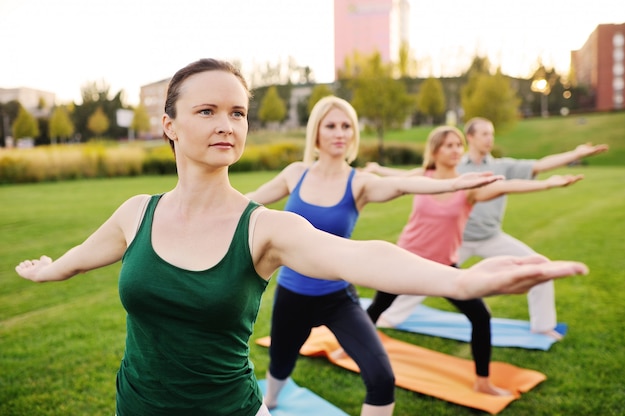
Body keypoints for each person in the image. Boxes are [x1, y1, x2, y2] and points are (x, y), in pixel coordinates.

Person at [14, 59, 588, 416]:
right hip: (135, 406)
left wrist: (463, 279)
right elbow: (81, 259)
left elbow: (361, 256)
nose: (226, 125)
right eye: (208, 110)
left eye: (238, 113)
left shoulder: (266, 229)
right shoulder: (135, 213)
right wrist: (49, 267)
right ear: (169, 124)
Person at [245, 96, 507, 415]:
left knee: (382, 378)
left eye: (347, 126)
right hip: (292, 295)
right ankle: (272, 399)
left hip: (337, 296)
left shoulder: (360, 183)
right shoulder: (294, 174)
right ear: (316, 132)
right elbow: (249, 202)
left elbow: (400, 186)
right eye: (331, 126)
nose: (340, 133)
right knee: (280, 365)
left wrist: (452, 183)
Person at [364, 125, 584, 396]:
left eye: (459, 145)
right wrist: (375, 171)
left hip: (444, 265)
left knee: (480, 317)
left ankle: (483, 382)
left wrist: (548, 183)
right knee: (376, 308)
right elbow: (395, 179)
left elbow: (508, 186)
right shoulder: (424, 176)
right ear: (434, 151)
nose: (457, 150)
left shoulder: (468, 188)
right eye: (449, 145)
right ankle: (347, 347)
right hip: (406, 260)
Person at [456, 117, 608, 338]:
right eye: (484, 134)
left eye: (492, 134)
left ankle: (543, 325)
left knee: (540, 267)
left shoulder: (502, 166)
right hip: (458, 240)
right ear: (470, 137)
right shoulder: (456, 167)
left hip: (491, 238)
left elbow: (541, 164)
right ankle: (391, 317)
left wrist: (577, 153)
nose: (490, 139)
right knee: (424, 275)